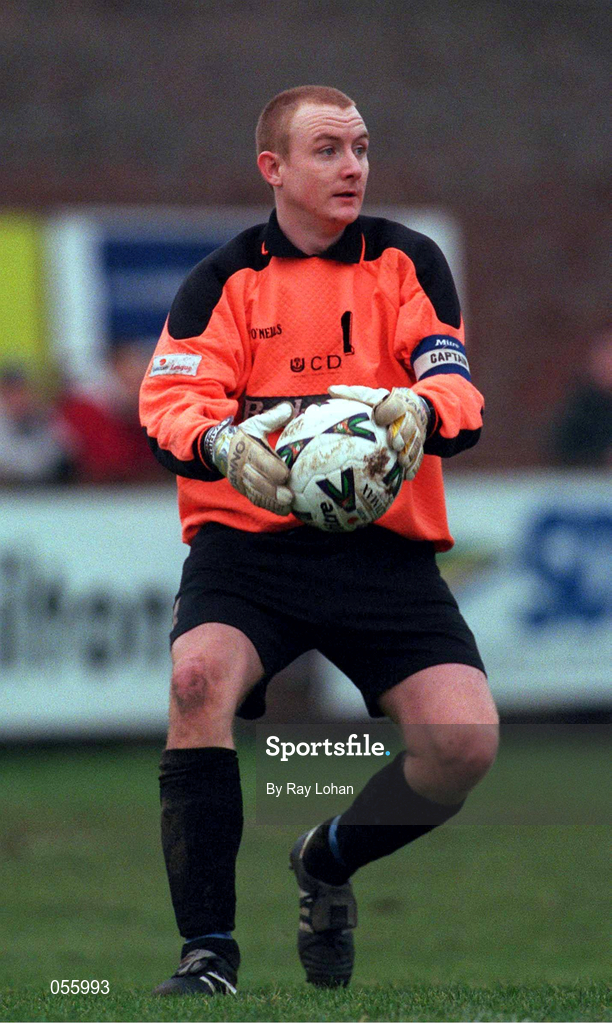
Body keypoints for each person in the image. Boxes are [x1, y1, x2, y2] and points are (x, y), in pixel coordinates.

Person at [139, 85, 499, 996]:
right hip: (248, 551)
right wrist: (220, 443)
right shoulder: (222, 280)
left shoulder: (408, 260)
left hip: (382, 554)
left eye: (362, 149)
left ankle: (326, 858)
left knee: (463, 746)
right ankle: (208, 954)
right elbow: (170, 402)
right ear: (274, 167)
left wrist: (423, 410)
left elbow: (455, 384)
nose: (353, 167)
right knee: (195, 682)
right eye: (329, 150)